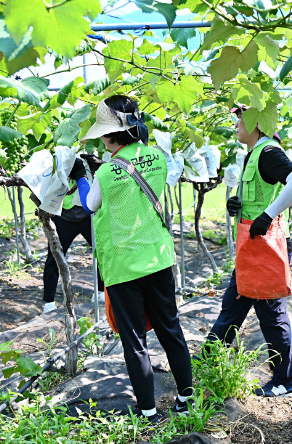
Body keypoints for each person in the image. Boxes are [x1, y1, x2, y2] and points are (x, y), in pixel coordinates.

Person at [71, 95, 193, 423]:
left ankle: (149, 411)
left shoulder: (107, 172)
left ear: (110, 136)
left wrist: (82, 176)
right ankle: (186, 399)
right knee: (171, 331)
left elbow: (90, 205)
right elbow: (146, 176)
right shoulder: (157, 157)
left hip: (124, 266)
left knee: (135, 342)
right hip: (158, 258)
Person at [197, 104, 292, 398]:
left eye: (240, 120)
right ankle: (207, 362)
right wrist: (239, 205)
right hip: (252, 245)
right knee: (233, 304)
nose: (236, 126)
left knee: (271, 313)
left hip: (263, 245)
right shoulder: (255, 153)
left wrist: (267, 215)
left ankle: (286, 381)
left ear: (257, 122)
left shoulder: (269, 152)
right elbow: (263, 193)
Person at [42, 183, 105, 313]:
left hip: (88, 214)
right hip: (63, 215)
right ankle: (49, 302)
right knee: (54, 257)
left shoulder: (90, 163)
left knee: (102, 251)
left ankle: (100, 291)